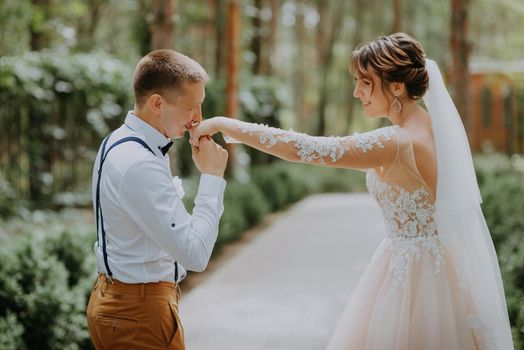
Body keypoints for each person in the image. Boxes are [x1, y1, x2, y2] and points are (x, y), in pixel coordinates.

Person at [189, 33, 514, 349]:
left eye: (365, 82)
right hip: (440, 271)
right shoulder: (433, 130)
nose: (357, 92)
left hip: (413, 281)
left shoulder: (396, 142)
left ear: (397, 87)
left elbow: (303, 149)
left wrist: (224, 124)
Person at [86, 49, 228, 350]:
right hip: (139, 315)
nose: (198, 120)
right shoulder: (139, 163)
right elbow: (195, 254)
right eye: (192, 108)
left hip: (124, 304)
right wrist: (212, 177)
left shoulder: (120, 140)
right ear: (157, 103)